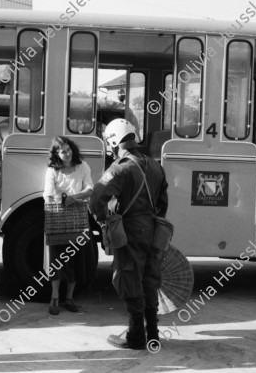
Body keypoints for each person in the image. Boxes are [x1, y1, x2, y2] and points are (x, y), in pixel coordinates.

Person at [89, 119, 168, 350]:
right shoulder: (155, 165)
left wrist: (104, 220)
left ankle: (135, 336)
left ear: (113, 141)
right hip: (153, 229)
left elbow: (96, 199)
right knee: (150, 279)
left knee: (128, 276)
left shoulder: (120, 168)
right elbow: (163, 202)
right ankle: (152, 334)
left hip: (130, 230)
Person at [43, 136, 95, 315]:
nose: (67, 153)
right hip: (58, 220)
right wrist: (54, 208)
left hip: (77, 218)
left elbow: (90, 189)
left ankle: (69, 297)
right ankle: (55, 296)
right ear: (56, 153)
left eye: (69, 149)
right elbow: (48, 194)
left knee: (75, 261)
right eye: (63, 151)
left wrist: (75, 197)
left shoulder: (83, 167)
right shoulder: (52, 170)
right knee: (57, 262)